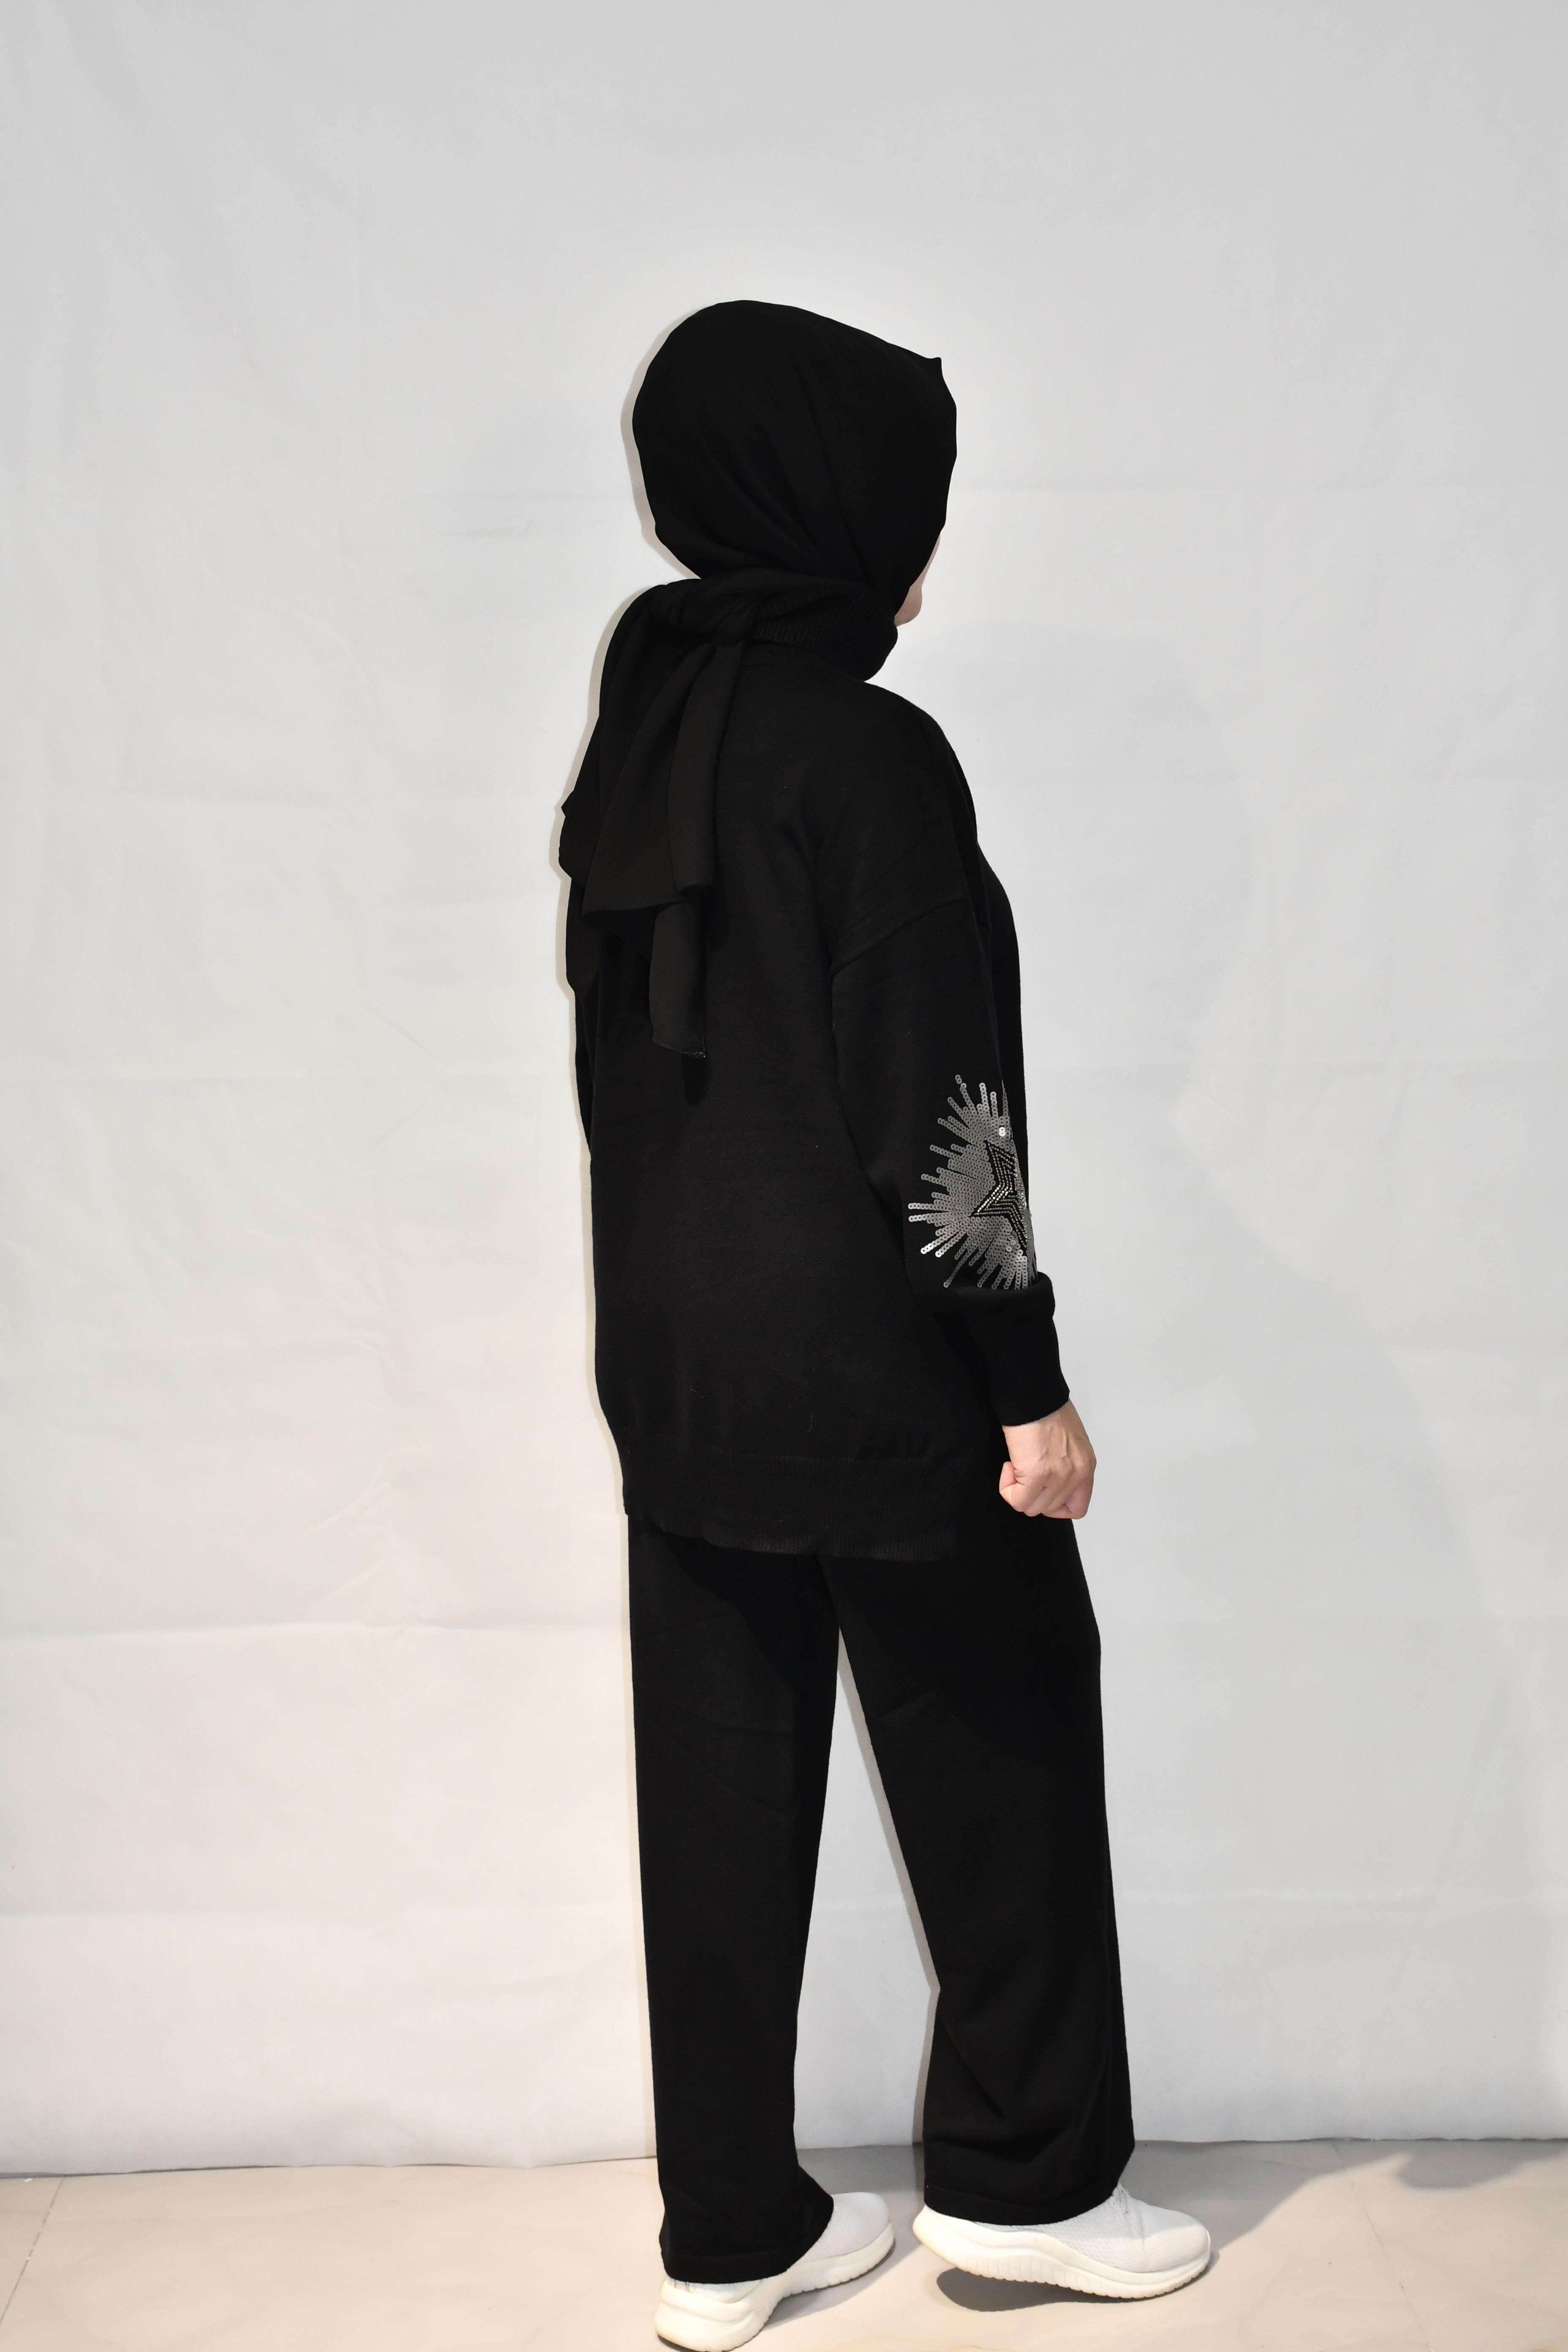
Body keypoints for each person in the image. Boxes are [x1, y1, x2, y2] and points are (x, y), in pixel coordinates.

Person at [559, 300, 1209, 2351]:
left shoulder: (650, 728)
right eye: (911, 503)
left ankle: (730, 2234)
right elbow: (944, 1116)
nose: (924, 548)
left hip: (683, 1374)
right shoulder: (867, 754)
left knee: (719, 1796)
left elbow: (630, 1091)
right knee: (1004, 1752)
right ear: (836, 507)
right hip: (883, 1382)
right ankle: (1029, 2191)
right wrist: (1027, 1386)